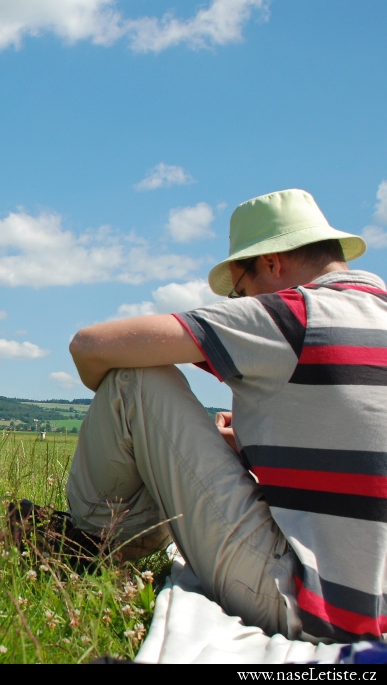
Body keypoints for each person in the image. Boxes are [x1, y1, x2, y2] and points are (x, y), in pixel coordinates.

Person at [37, 188, 385, 643]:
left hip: (317, 606)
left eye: (241, 290)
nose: (242, 301)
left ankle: (92, 544)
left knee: (133, 379)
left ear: (273, 262)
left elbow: (89, 345)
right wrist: (248, 444)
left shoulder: (294, 313)